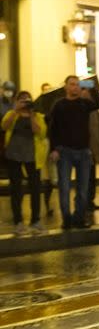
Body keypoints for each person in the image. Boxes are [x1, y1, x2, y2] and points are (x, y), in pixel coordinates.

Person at [48, 75, 99, 229]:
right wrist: (53, 149)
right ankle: (66, 219)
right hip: (64, 152)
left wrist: (90, 85)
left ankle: (79, 218)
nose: (75, 87)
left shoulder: (85, 103)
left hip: (84, 152)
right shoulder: (59, 105)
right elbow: (53, 129)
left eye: (78, 85)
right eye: (72, 84)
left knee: (83, 189)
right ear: (66, 87)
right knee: (64, 187)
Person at [1, 90, 48, 235]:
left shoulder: (38, 116)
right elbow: (4, 126)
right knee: (16, 189)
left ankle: (35, 221)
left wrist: (32, 114)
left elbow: (41, 132)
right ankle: (18, 222)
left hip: (32, 156)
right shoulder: (11, 114)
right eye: (22, 100)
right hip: (14, 155)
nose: (25, 102)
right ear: (16, 101)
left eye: (28, 100)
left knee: (35, 188)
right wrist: (15, 110)